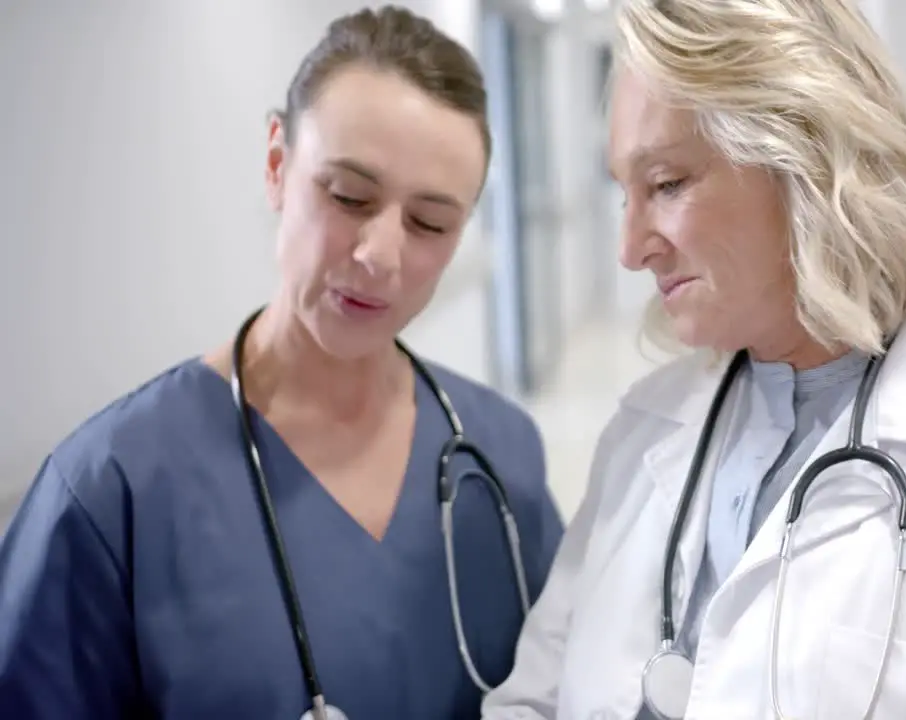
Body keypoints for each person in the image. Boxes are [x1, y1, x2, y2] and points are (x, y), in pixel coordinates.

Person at [481, 1, 906, 719]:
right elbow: (533, 702)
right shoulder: (645, 430)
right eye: (625, 193)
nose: (631, 248)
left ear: (803, 155)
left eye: (668, 184)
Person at [0, 6, 564, 719]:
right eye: (348, 196)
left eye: (429, 223)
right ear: (276, 165)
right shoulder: (112, 493)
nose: (379, 256)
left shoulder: (502, 455)